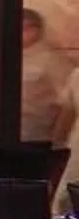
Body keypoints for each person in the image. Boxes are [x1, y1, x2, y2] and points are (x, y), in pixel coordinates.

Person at [22, 8, 75, 147]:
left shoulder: (51, 60)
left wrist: (56, 141)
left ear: (33, 29)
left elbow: (68, 105)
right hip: (7, 136)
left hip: (37, 138)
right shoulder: (7, 58)